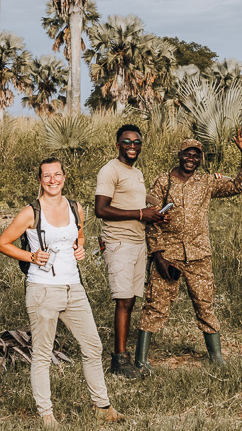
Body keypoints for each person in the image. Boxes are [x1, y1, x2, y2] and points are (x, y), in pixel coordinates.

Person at [0, 157, 123, 425]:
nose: (53, 181)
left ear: (64, 177)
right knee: (42, 354)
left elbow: (79, 236)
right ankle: (47, 416)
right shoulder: (31, 212)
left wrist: (81, 249)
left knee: (92, 346)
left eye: (57, 175)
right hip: (43, 290)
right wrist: (31, 257)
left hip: (73, 288)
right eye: (47, 176)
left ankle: (103, 408)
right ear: (40, 180)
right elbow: (2, 243)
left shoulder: (76, 207)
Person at [133, 128, 242, 372]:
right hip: (169, 256)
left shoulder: (207, 182)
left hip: (199, 255)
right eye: (187, 154)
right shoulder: (162, 181)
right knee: (155, 305)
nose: (191, 159)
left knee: (205, 305)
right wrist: (158, 256)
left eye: (196, 155)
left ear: (200, 159)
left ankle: (216, 357)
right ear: (179, 155)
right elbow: (151, 219)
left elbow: (241, 184)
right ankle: (141, 359)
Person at [94, 124, 166, 378]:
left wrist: (154, 213)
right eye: (127, 142)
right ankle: (119, 361)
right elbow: (101, 209)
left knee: (131, 299)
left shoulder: (136, 172)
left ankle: (123, 356)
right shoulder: (109, 170)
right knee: (123, 300)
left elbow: (135, 203)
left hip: (138, 242)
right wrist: (140, 213)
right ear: (118, 145)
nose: (133, 146)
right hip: (119, 243)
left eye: (137, 142)